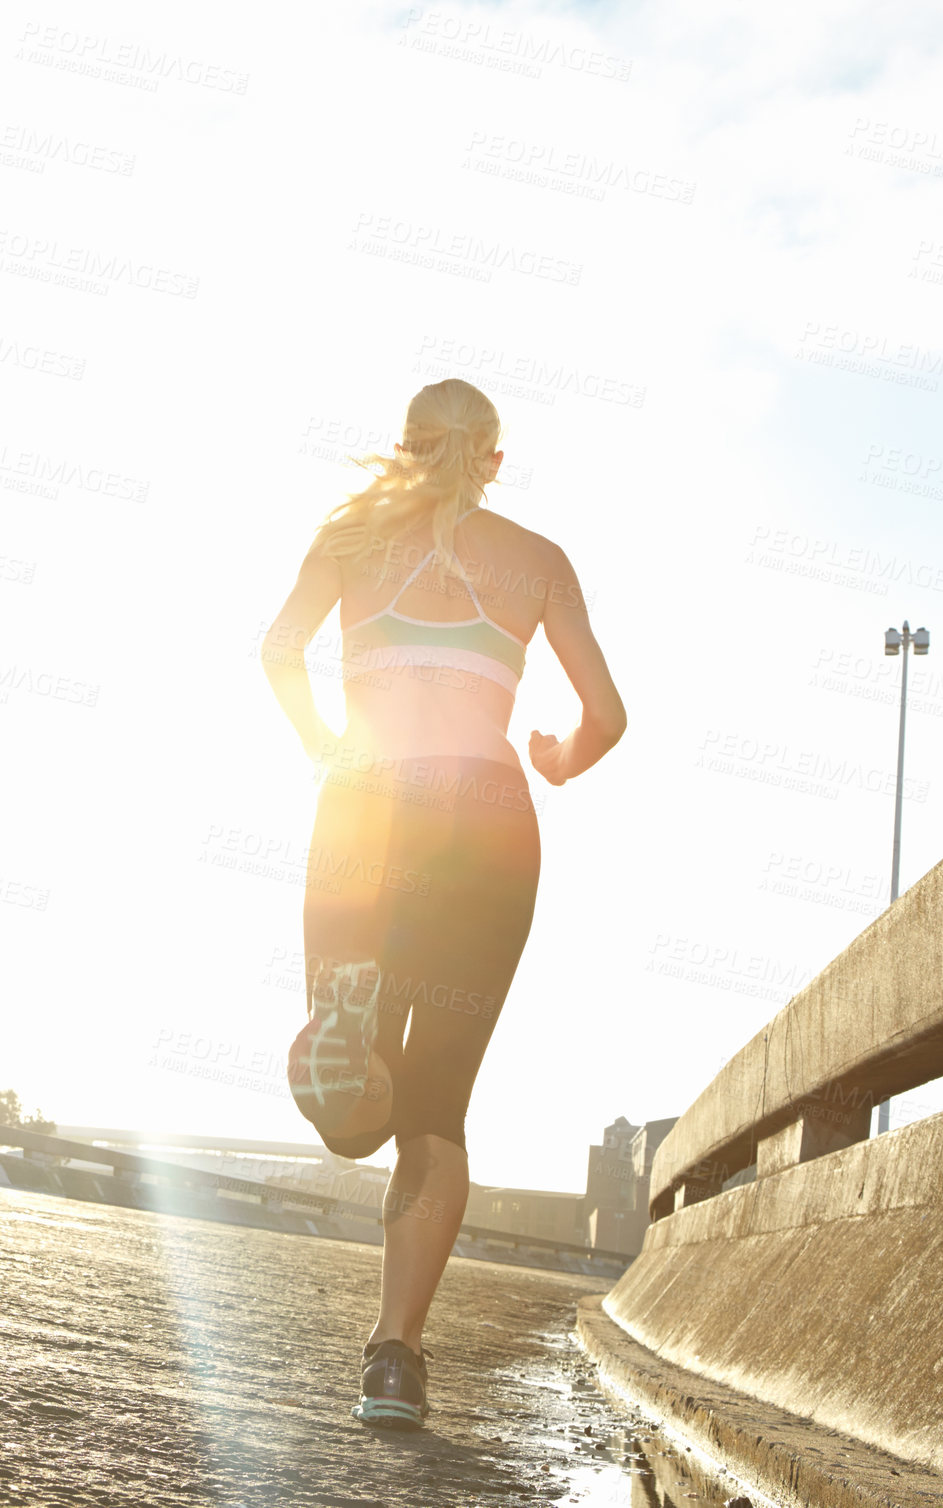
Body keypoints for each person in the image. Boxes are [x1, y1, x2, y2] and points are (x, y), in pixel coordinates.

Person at [260, 378, 626, 1428]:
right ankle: (394, 1355)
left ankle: (350, 1044)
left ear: (406, 450)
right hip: (487, 822)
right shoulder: (537, 559)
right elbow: (607, 713)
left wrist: (321, 740)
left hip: (365, 809)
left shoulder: (347, 537)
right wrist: (557, 757)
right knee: (437, 1103)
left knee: (351, 1116)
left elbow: (280, 650)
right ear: (496, 461)